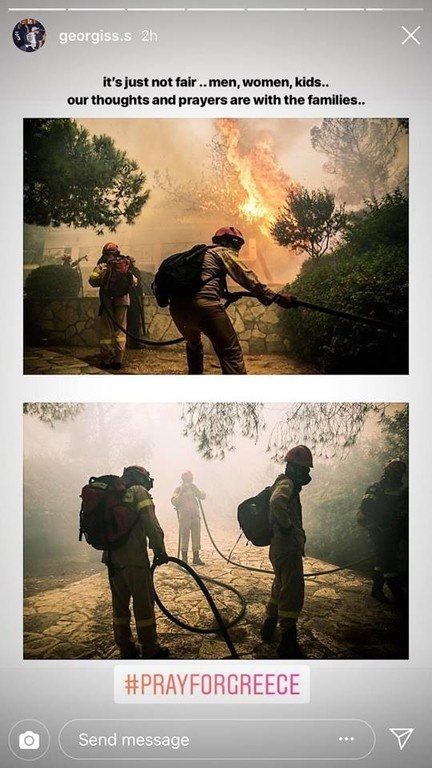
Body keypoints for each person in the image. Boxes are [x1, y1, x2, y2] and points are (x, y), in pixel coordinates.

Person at [169, 226, 297, 375]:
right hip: (205, 307)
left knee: (194, 344)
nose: (237, 248)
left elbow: (203, 282)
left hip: (177, 309)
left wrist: (227, 295)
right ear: (224, 241)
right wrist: (277, 298)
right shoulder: (223, 252)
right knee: (231, 354)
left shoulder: (198, 256)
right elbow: (246, 277)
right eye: (236, 243)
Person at [102, 465, 170, 660]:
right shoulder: (138, 492)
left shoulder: (113, 495)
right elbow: (150, 522)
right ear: (141, 479)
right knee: (143, 606)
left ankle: (126, 648)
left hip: (112, 559)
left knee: (120, 607)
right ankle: (150, 648)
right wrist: (159, 549)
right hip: (134, 559)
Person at [260, 445, 313, 659]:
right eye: (304, 469)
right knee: (292, 591)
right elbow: (276, 501)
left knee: (280, 585)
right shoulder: (287, 483)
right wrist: (288, 526)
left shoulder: (284, 482)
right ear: (294, 468)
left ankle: (269, 624)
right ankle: (288, 641)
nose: (306, 475)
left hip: (280, 546)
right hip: (286, 546)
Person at [357, 459, 408, 609]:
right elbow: (366, 509)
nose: (397, 474)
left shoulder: (401, 491)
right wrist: (378, 526)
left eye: (400, 472)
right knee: (388, 559)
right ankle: (398, 595)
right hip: (378, 529)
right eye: (394, 471)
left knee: (382, 558)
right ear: (387, 471)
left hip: (394, 530)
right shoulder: (376, 488)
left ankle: (376, 589)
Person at [88, 242, 136, 370]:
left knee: (106, 331)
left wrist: (104, 281)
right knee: (120, 331)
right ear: (116, 252)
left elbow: (92, 281)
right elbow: (134, 281)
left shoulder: (102, 264)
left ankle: (107, 359)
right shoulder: (124, 263)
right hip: (123, 301)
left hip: (107, 301)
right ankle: (118, 360)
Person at [171, 471, 206, 565]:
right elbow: (174, 501)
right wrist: (181, 493)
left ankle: (196, 558)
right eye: (186, 480)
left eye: (190, 480)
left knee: (196, 537)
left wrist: (197, 490)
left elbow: (203, 496)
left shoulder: (194, 489)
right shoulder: (178, 490)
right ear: (182, 480)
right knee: (185, 537)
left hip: (195, 516)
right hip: (184, 517)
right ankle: (184, 559)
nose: (188, 482)